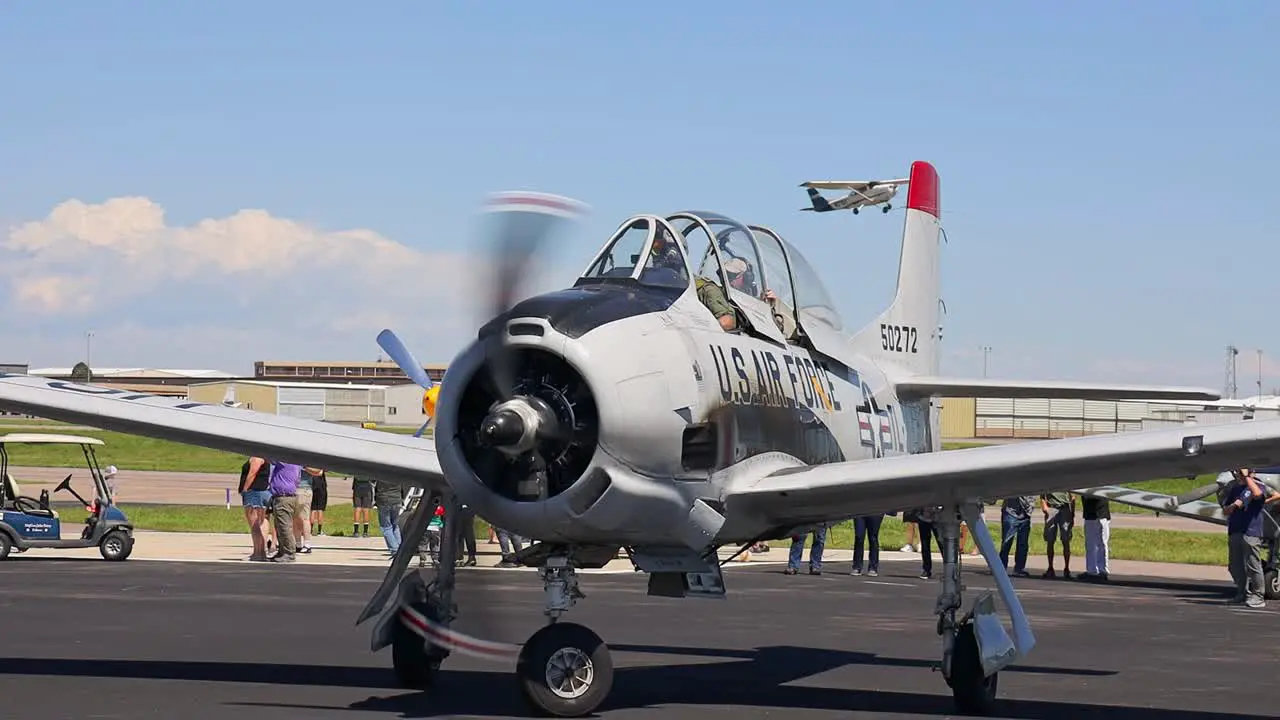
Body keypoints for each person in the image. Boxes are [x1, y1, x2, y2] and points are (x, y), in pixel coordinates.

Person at [1224, 468, 1270, 608]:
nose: (1239, 475)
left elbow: (1257, 494)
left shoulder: (1259, 486)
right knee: (1235, 565)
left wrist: (1248, 477)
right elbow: (1225, 509)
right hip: (1235, 530)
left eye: (1242, 473)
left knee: (1253, 565)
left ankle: (1258, 596)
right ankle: (1241, 593)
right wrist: (1232, 506)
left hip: (1251, 531)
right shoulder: (1235, 489)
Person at [264, 458, 301, 563]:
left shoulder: (284, 460)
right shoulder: (295, 462)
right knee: (279, 526)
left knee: (284, 527)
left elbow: (268, 458)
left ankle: (289, 553)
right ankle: (282, 551)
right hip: (283, 497)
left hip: (284, 497)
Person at [238, 457, 272, 562]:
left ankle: (258, 552)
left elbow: (252, 473)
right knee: (262, 521)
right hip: (263, 491)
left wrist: (245, 489)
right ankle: (261, 552)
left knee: (254, 523)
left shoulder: (257, 458)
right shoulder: (265, 458)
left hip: (254, 491)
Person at [1040, 491, 1076, 579]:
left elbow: (1073, 495)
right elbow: (1041, 492)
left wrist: (1072, 512)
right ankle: (1050, 568)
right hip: (1051, 507)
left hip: (1065, 508)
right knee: (1050, 539)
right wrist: (1044, 506)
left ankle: (1067, 569)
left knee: (1066, 540)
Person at [999, 495, 1033, 578]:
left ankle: (1019, 569)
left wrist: (1030, 509)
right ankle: (1001, 568)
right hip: (1011, 512)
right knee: (1007, 542)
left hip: (1025, 514)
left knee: (1023, 544)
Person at [1081, 494, 1111, 582]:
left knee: (1099, 543)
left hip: (1098, 514)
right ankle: (1094, 570)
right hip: (1093, 514)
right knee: (1094, 544)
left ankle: (1100, 570)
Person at [374, 475, 403, 554]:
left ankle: (394, 549)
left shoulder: (381, 474)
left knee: (386, 527)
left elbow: (373, 482)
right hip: (397, 499)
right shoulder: (398, 473)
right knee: (395, 525)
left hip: (384, 500)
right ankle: (400, 548)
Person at [851, 513, 883, 577]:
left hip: (875, 511)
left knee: (873, 538)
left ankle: (873, 567)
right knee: (859, 537)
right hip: (860, 511)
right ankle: (857, 566)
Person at [308, 467, 328, 535]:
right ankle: (319, 530)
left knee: (313, 509)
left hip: (313, 486)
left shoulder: (309, 467)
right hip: (321, 487)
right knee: (320, 509)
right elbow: (323, 471)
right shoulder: (320, 466)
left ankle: (310, 530)